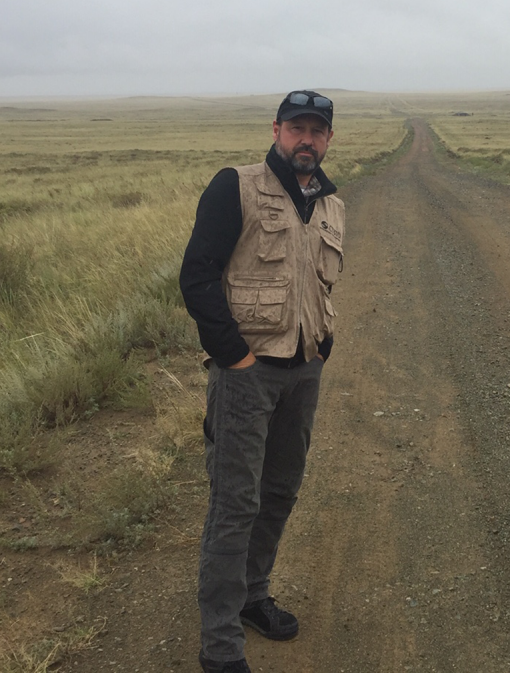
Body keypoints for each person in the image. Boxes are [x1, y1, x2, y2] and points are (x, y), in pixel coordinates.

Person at [179, 90, 345, 673]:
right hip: (247, 377)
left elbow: (319, 285)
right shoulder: (236, 186)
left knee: (279, 493)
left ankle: (253, 597)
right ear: (276, 129)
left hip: (302, 374)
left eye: (317, 131)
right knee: (235, 505)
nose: (307, 139)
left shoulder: (330, 203)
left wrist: (322, 348)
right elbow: (196, 276)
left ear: (328, 139)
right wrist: (235, 358)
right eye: (297, 127)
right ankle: (220, 644)